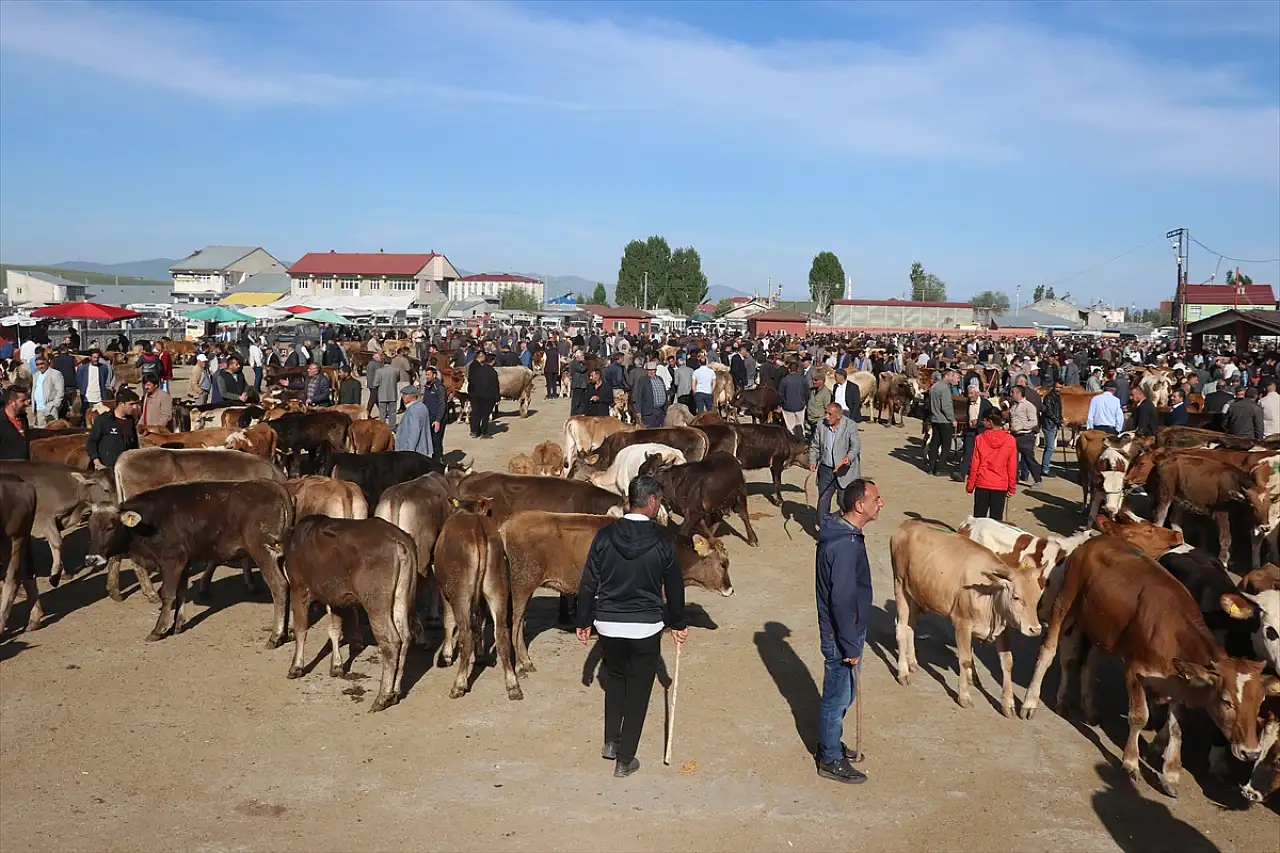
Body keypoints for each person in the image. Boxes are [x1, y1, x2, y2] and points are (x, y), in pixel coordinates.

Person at [575, 475, 687, 779]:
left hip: (608, 624)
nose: (660, 505)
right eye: (660, 500)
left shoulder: (604, 536)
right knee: (639, 690)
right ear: (651, 500)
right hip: (645, 627)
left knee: (615, 680)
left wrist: (583, 620)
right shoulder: (663, 540)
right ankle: (625, 759)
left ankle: (611, 742)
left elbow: (588, 581)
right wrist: (678, 623)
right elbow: (674, 587)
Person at [814, 478, 882, 785]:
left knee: (844, 692)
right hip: (842, 634)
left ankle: (831, 743)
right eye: (876, 499)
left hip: (846, 631)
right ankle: (830, 758)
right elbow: (841, 600)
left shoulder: (844, 535)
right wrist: (850, 645)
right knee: (838, 696)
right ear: (859, 505)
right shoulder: (844, 545)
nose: (880, 503)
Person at [809, 401, 861, 527]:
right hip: (826, 470)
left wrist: (848, 458)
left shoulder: (850, 425)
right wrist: (812, 461)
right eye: (826, 413)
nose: (826, 416)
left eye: (830, 414)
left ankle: (849, 528)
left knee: (844, 502)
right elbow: (815, 446)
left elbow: (855, 446)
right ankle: (824, 529)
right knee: (823, 500)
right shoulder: (821, 425)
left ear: (838, 416)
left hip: (844, 471)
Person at [966, 411, 1017, 521]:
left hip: (982, 483)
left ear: (990, 422)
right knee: (996, 520)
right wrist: (1012, 487)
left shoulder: (980, 438)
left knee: (978, 519)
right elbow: (1012, 466)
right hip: (1000, 484)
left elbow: (974, 464)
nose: (982, 422)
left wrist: (970, 485)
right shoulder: (1010, 440)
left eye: (984, 420)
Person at [85, 389, 141, 470]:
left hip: (126, 469)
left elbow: (134, 445)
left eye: (135, 404)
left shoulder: (131, 421)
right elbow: (91, 443)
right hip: (106, 469)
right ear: (121, 404)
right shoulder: (103, 420)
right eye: (131, 404)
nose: (135, 407)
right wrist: (97, 463)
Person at [955, 381, 996, 482]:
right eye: (968, 393)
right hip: (970, 431)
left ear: (977, 393)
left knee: (982, 455)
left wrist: (979, 422)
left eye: (971, 393)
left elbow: (991, 419)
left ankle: (981, 475)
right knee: (967, 452)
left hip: (982, 432)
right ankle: (962, 474)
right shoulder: (966, 403)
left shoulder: (986, 404)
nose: (969, 396)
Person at [925, 368, 958, 476]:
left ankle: (931, 468)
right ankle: (940, 468)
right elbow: (946, 406)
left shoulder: (934, 387)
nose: (953, 378)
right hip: (944, 421)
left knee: (935, 444)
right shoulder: (944, 388)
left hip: (935, 419)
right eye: (952, 376)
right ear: (946, 376)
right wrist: (952, 419)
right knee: (946, 445)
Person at [1008, 385, 1041, 487]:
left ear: (1018, 393)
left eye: (1013, 392)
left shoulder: (1028, 406)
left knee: (1029, 459)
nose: (1011, 394)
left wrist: (1019, 427)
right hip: (1014, 436)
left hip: (1025, 437)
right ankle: (1013, 479)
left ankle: (1037, 480)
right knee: (1012, 459)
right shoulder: (1013, 406)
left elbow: (1033, 422)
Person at [468, 350, 500, 439]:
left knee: (476, 413)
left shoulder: (477, 370)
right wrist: (497, 398)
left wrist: (471, 394)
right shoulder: (493, 372)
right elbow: (495, 385)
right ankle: (484, 432)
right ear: (493, 361)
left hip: (476, 395)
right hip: (488, 397)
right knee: (485, 415)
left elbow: (472, 383)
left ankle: (475, 431)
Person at [394, 385, 434, 457]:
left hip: (413, 451)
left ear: (410, 397)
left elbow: (414, 434)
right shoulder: (422, 406)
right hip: (421, 450)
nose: (402, 397)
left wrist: (409, 453)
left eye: (404, 395)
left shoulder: (413, 410)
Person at [29, 354, 65, 428]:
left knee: (53, 430)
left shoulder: (55, 374)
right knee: (41, 431)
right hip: (38, 409)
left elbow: (60, 391)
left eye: (42, 363)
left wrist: (55, 405)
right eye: (38, 364)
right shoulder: (36, 375)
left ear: (47, 363)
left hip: (50, 408)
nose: (40, 366)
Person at [76, 349, 114, 415]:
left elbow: (104, 380)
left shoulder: (104, 368)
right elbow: (79, 382)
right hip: (87, 398)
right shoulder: (82, 369)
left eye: (97, 357)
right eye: (94, 357)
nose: (96, 359)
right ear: (90, 358)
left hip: (99, 398)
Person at [421, 366, 448, 462]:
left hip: (438, 419)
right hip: (429, 418)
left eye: (429, 375)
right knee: (430, 441)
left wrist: (438, 420)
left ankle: (438, 461)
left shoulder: (439, 387)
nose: (427, 377)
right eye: (426, 375)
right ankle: (433, 460)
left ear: (434, 375)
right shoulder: (427, 386)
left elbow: (442, 404)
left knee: (437, 441)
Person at [633, 361, 668, 427]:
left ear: (656, 370)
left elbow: (665, 392)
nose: (651, 372)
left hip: (661, 411)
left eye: (653, 370)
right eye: (649, 370)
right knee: (649, 431)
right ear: (646, 371)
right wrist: (638, 411)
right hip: (649, 412)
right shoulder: (643, 380)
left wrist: (666, 407)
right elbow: (638, 396)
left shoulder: (660, 379)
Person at [1040, 378, 1063, 477]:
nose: (1058, 389)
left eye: (1060, 387)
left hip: (1054, 424)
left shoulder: (1058, 396)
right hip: (1049, 424)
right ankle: (1045, 469)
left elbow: (1058, 411)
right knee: (1049, 447)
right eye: (1056, 387)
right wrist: (1058, 421)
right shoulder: (1049, 397)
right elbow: (1048, 412)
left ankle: (1045, 467)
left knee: (1050, 447)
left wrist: (1060, 419)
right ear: (1053, 386)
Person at [0, 386, 31, 460]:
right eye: (23, 400)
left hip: (25, 465)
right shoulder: (1, 421)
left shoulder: (23, 418)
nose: (27, 403)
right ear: (12, 403)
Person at [778, 361, 807, 437]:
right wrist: (805, 402)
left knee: (790, 428)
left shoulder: (784, 380)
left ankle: (792, 441)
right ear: (798, 370)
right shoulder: (803, 379)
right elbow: (807, 392)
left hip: (788, 407)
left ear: (789, 370)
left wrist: (782, 404)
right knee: (800, 426)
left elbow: (780, 394)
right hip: (800, 406)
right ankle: (801, 439)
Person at [374, 352, 400, 425]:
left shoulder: (379, 371)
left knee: (382, 413)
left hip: (382, 395)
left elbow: (376, 383)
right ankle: (392, 427)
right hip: (393, 394)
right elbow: (398, 380)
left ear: (383, 362)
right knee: (392, 413)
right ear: (391, 362)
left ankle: (383, 427)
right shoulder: (396, 371)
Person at [569, 351, 590, 416]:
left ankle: (580, 414)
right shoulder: (574, 363)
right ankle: (573, 415)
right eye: (582, 356)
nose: (584, 357)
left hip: (582, 385)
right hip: (577, 385)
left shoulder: (580, 363)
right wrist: (587, 365)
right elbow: (582, 369)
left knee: (582, 402)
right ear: (578, 357)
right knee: (576, 402)